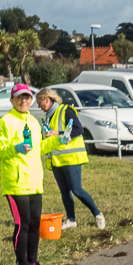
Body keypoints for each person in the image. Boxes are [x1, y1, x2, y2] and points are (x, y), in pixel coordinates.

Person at [0, 83, 47, 265]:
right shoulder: (5, 122)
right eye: (19, 97)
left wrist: (57, 141)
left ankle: (33, 264)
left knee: (35, 224)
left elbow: (38, 148)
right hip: (16, 183)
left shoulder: (34, 121)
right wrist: (15, 148)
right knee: (22, 224)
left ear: (31, 99)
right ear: (12, 99)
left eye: (27, 97)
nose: (23, 101)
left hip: (34, 182)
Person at [35, 87, 105, 231]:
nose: (38, 106)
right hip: (57, 160)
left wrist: (58, 132)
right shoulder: (48, 116)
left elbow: (78, 130)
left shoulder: (65, 110)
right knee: (64, 192)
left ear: (47, 100)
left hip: (71, 158)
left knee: (77, 190)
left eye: (39, 103)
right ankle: (71, 220)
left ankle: (98, 214)